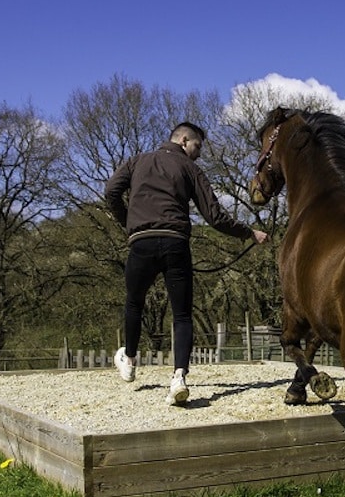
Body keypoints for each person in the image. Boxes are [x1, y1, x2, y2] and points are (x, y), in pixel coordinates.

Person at [104, 121, 268, 405]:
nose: (199, 153)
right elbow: (215, 216)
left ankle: (129, 360)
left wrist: (130, 223)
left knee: (134, 302)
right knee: (181, 314)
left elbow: (110, 192)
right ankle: (179, 377)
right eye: (197, 146)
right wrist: (249, 233)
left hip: (141, 240)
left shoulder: (136, 162)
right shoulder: (191, 170)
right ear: (183, 140)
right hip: (175, 242)